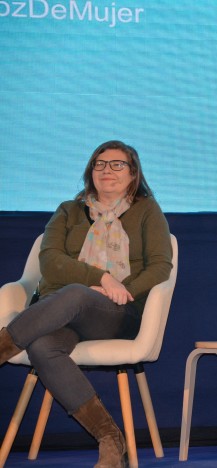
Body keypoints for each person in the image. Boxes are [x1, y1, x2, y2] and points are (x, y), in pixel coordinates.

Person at [0, 140, 172, 468]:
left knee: (78, 292)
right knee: (43, 346)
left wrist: (121, 290)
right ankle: (110, 439)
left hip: (114, 312)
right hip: (57, 310)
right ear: (90, 172)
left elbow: (160, 265)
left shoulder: (147, 211)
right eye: (100, 164)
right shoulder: (67, 210)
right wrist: (102, 277)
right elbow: (49, 262)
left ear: (133, 173)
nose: (107, 171)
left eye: (117, 164)